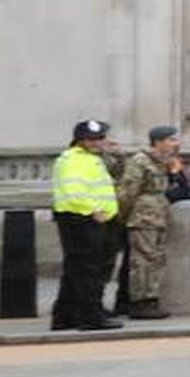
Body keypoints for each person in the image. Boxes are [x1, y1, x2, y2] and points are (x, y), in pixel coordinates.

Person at [48, 118, 123, 332]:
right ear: (80, 141)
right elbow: (74, 191)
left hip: (91, 218)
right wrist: (93, 210)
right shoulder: (73, 159)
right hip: (81, 218)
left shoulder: (91, 159)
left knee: (76, 269)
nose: (98, 142)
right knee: (89, 269)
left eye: (100, 138)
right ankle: (90, 315)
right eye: (92, 139)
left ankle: (65, 315)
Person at [115, 126, 182, 318]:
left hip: (158, 216)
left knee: (155, 259)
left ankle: (151, 298)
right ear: (158, 142)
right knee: (143, 260)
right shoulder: (140, 161)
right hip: (143, 217)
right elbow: (128, 192)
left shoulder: (163, 162)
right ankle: (139, 301)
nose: (175, 144)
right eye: (171, 140)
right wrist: (123, 216)